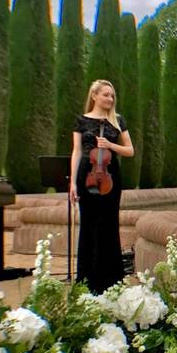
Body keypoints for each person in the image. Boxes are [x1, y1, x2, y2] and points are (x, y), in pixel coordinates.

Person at [70, 79, 134, 292]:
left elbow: (130, 150)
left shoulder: (117, 121)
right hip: (86, 176)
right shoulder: (81, 120)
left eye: (112, 96)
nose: (110, 99)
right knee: (88, 224)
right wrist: (72, 183)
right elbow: (77, 151)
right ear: (94, 95)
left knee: (108, 224)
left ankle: (110, 279)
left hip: (110, 176)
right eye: (106, 95)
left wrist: (111, 145)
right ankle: (87, 279)